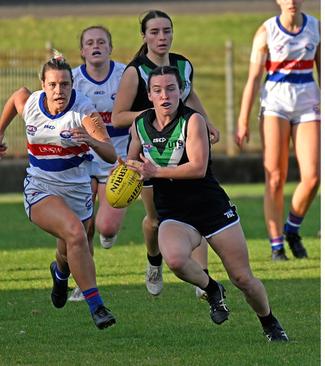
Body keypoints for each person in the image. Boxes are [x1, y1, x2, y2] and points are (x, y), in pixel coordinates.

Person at [126, 66, 288, 341]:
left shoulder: (193, 121)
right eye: (157, 90)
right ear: (149, 95)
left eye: (171, 89)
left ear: (181, 92)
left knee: (243, 279)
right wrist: (125, 175)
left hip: (211, 209)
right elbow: (133, 163)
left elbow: (198, 168)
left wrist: (156, 172)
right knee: (176, 260)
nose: (165, 95)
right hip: (175, 213)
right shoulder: (139, 125)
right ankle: (213, 289)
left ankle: (269, 322)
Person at [0, 57, 117, 329]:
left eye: (64, 84)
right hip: (40, 189)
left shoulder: (84, 112)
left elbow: (110, 154)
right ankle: (97, 306)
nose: (58, 90)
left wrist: (89, 139)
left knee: (68, 250)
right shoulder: (31, 104)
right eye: (52, 84)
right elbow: (17, 96)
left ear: (72, 84)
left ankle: (60, 274)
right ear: (43, 85)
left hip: (77, 193)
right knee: (76, 233)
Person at [112, 10, 218, 296]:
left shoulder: (183, 65)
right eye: (155, 32)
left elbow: (189, 96)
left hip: (183, 149)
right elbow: (117, 116)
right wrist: (155, 112)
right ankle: (154, 261)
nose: (162, 37)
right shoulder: (135, 71)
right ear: (144, 36)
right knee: (156, 219)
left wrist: (206, 122)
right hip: (149, 155)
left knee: (200, 210)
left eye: (167, 31)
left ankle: (203, 279)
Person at [235, 0, 320, 261]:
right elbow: (253, 79)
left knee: (313, 177)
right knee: (275, 177)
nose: (292, 2)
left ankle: (291, 228)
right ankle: (276, 246)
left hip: (308, 106)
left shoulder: (316, 27)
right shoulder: (266, 31)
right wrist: (243, 120)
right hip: (275, 106)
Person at [65, 26, 127, 302]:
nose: (96, 46)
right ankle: (83, 283)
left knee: (107, 227)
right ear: (82, 51)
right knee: (83, 225)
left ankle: (109, 234)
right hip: (86, 160)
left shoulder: (126, 76)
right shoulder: (73, 81)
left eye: (101, 41)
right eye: (89, 42)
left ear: (110, 47)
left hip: (118, 159)